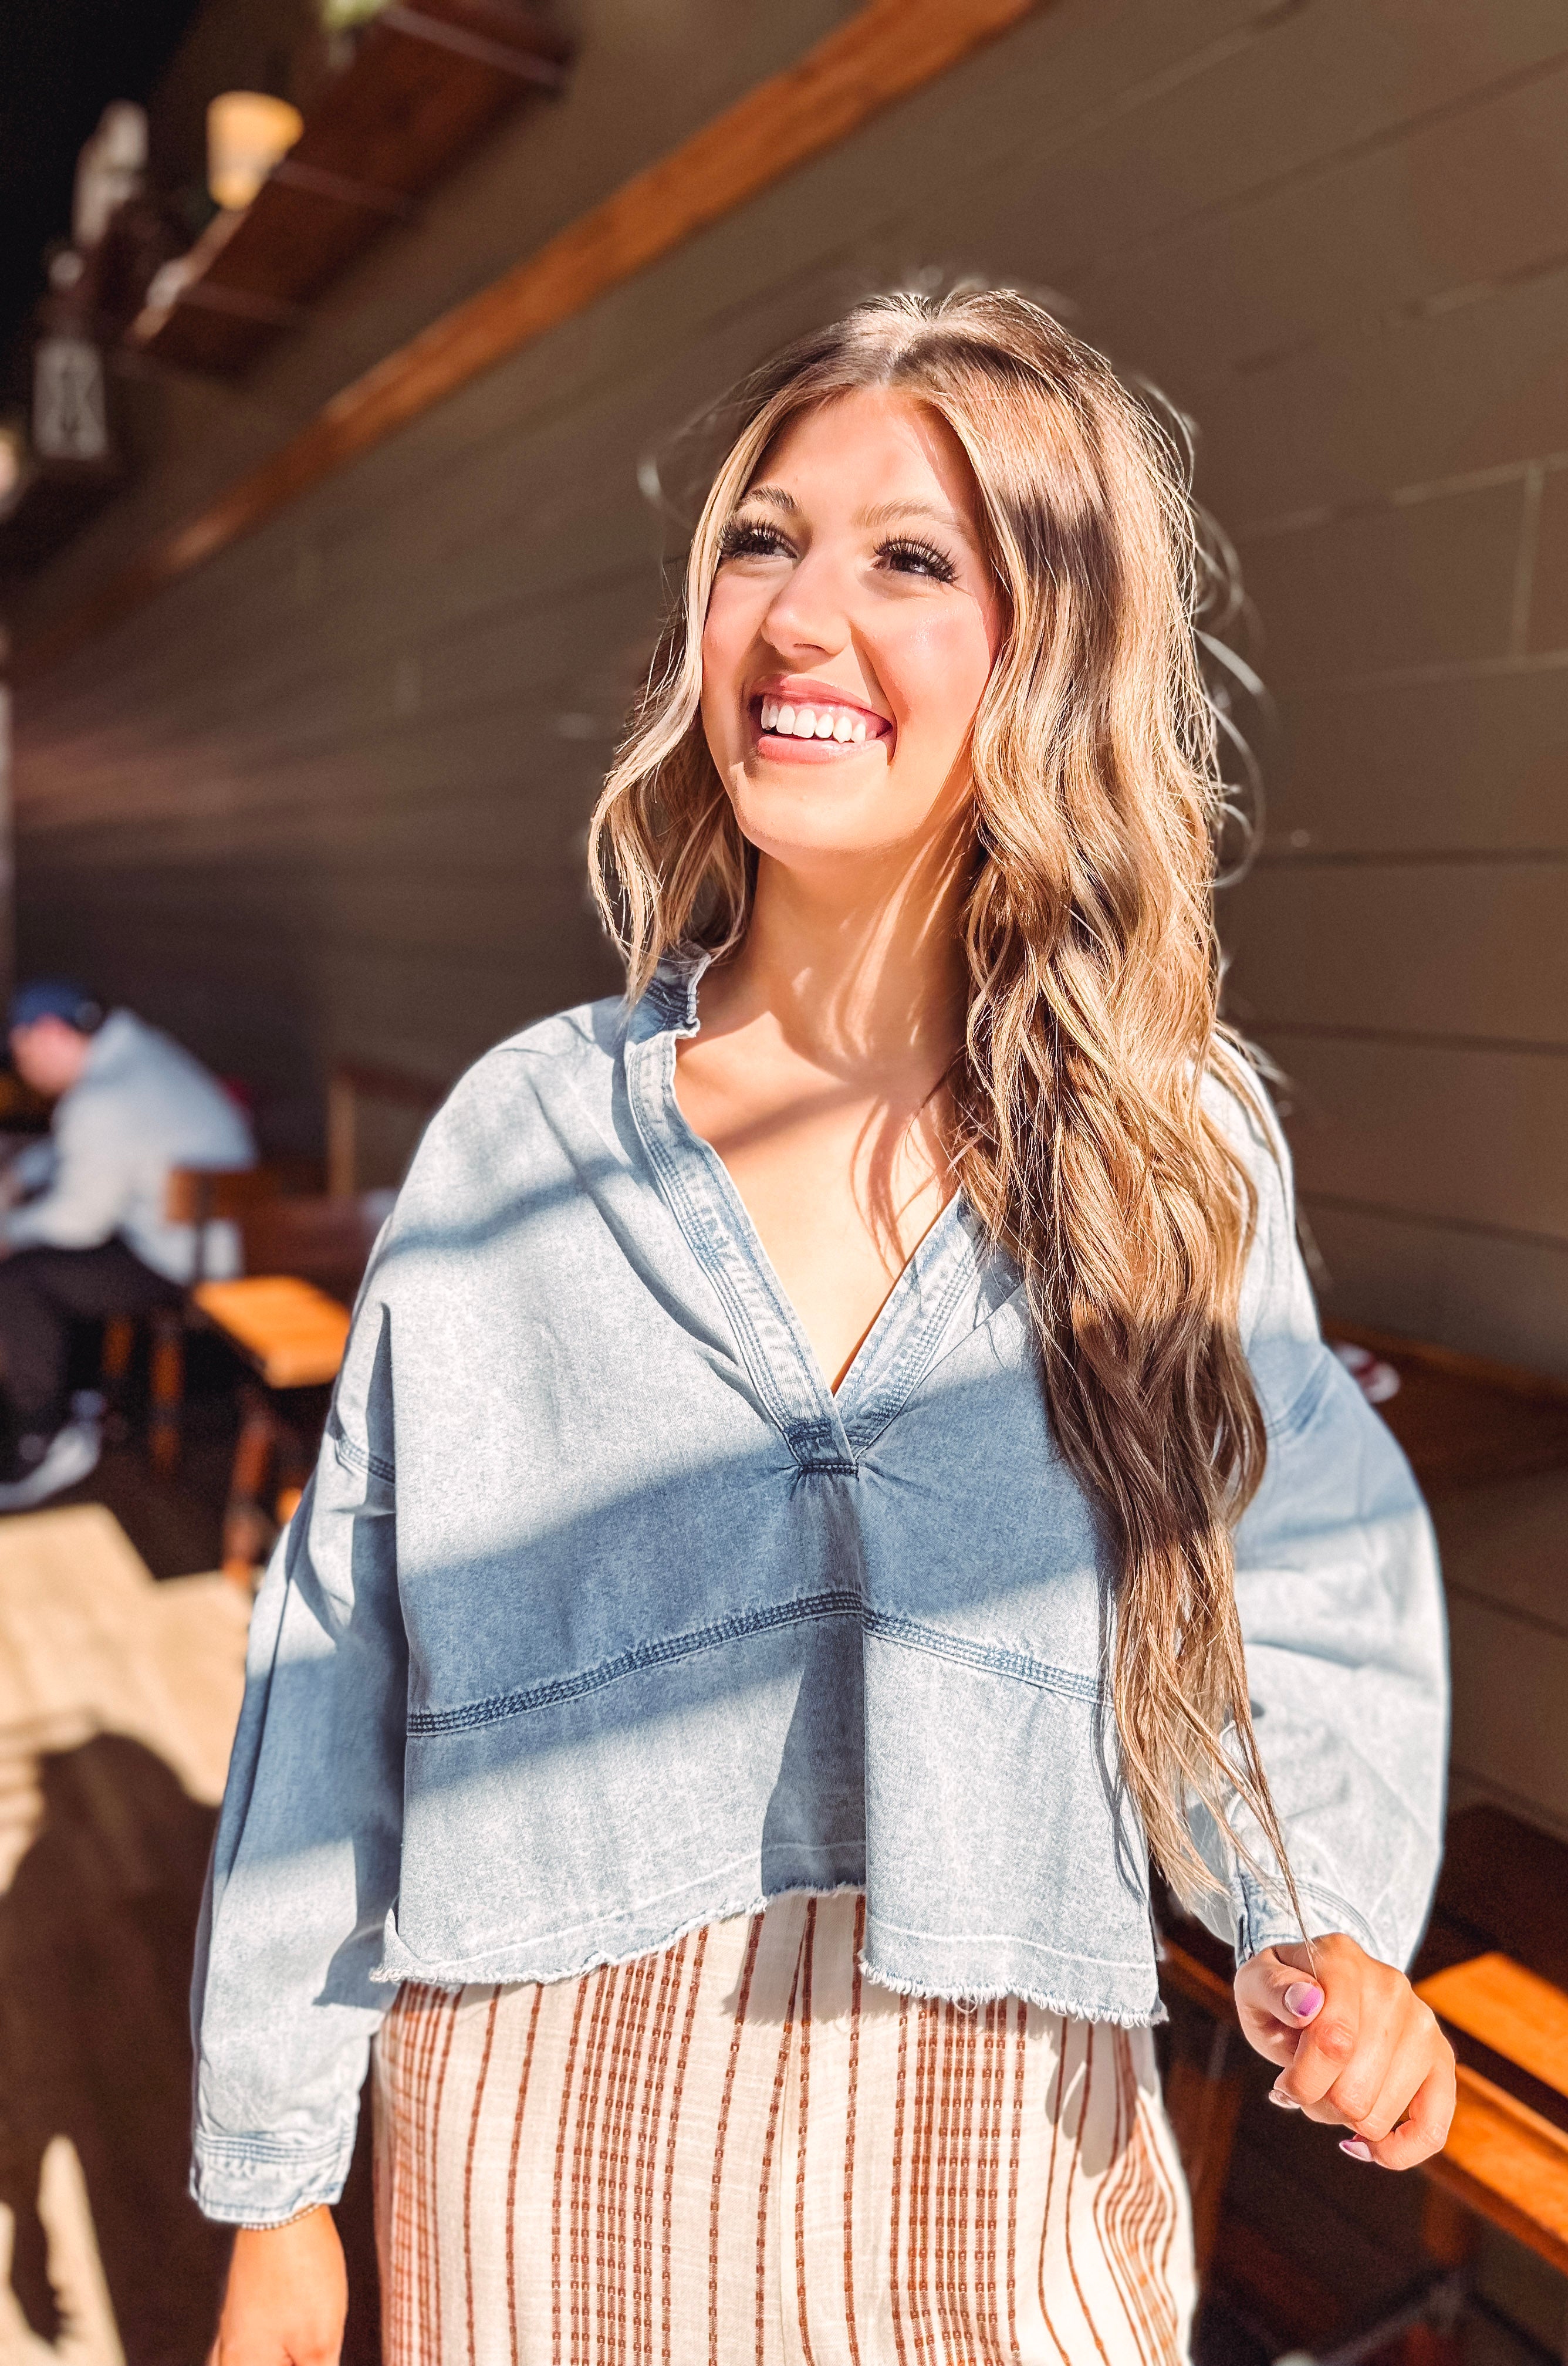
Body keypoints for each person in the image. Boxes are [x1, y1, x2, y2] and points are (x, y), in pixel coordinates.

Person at [195, 290, 1452, 2366]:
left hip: (995, 2141)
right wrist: (274, 2186)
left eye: (909, 559)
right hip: (540, 2138)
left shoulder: (1168, 1146)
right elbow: (337, 1656)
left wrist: (1307, 1914)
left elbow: (1288, 1562)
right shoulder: (522, 1138)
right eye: (762, 544)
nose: (799, 617)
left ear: (1049, 650)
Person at [0, 981, 255, 1508]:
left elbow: (79, 1222)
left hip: (188, 1262)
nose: (22, 1070)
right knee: (48, 1259)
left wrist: (8, 1232)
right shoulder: (140, 1054)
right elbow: (81, 1150)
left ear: (49, 1034)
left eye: (21, 1054)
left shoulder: (103, 1097)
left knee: (21, 1280)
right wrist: (22, 1175)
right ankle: (82, 1396)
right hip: (216, 1239)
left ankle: (43, 1437)